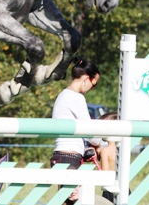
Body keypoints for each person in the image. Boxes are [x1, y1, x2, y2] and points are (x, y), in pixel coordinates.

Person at [51, 59, 101, 205]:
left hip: (61, 156)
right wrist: (100, 144)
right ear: (86, 79)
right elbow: (89, 130)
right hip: (69, 157)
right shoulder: (76, 97)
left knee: (66, 201)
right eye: (94, 83)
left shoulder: (63, 95)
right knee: (74, 200)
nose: (92, 88)